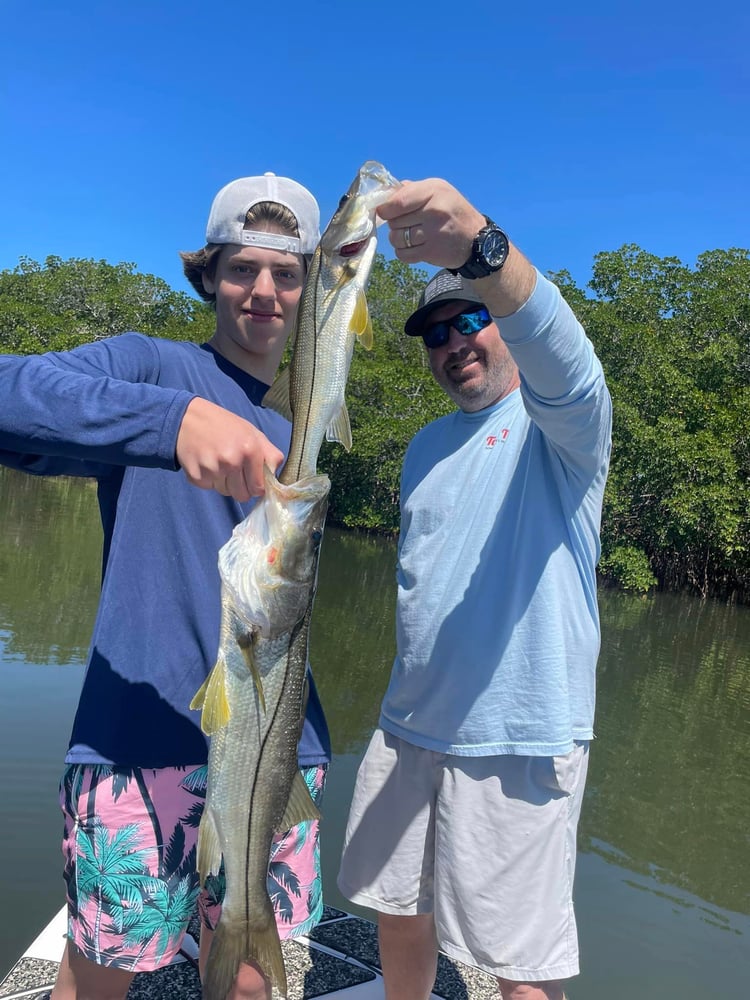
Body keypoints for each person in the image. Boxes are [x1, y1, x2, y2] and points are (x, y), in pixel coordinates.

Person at [0, 172, 331, 1000]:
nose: (264, 291)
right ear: (208, 276)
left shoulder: (303, 431)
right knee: (101, 976)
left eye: (286, 273)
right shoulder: (151, 369)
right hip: (134, 744)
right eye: (241, 269)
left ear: (310, 289)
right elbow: (9, 398)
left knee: (254, 981)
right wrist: (169, 421)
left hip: (281, 749)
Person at [337, 178, 612, 1000]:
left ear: (500, 324)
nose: (454, 342)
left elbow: (567, 357)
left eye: (470, 320)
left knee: (520, 969)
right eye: (435, 332)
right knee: (395, 907)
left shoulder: (561, 427)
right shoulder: (422, 447)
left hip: (518, 738)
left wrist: (481, 249)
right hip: (409, 727)